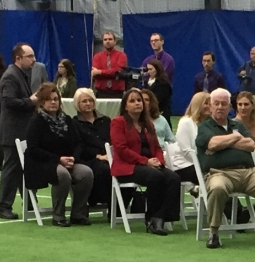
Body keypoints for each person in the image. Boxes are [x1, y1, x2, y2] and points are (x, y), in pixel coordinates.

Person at [196, 86, 255, 248]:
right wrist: (235, 138)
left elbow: (250, 144)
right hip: (219, 173)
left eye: (224, 104)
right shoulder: (204, 127)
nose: (220, 107)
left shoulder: (237, 125)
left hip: (248, 173)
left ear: (229, 107)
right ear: (210, 106)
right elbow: (212, 143)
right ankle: (213, 232)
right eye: (217, 103)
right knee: (217, 188)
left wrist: (224, 142)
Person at [109, 87, 181, 235]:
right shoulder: (118, 122)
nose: (137, 103)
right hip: (127, 166)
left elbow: (157, 148)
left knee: (173, 178)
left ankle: (160, 217)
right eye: (132, 101)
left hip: (150, 165)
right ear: (125, 106)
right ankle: (151, 219)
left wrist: (159, 162)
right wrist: (145, 161)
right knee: (156, 176)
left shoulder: (149, 124)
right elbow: (121, 150)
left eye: (139, 100)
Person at [22, 86, 96, 226]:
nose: (53, 102)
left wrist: (74, 157)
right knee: (62, 175)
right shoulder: (36, 121)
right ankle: (58, 215)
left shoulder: (67, 120)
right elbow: (33, 149)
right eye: (48, 100)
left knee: (86, 173)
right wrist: (58, 160)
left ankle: (78, 214)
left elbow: (79, 143)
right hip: (41, 162)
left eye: (56, 99)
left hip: (66, 160)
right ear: (42, 103)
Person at [0, 42, 41, 221]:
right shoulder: (10, 76)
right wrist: (31, 101)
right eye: (30, 56)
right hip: (12, 132)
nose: (34, 60)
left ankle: (29, 203)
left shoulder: (21, 74)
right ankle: (4, 206)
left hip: (21, 131)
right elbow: (9, 102)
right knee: (11, 170)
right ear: (18, 58)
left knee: (25, 169)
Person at [67, 87, 112, 217]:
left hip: (108, 155)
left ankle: (118, 206)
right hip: (88, 159)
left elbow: (112, 140)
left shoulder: (106, 120)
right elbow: (79, 146)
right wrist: (98, 156)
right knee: (103, 169)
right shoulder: (74, 123)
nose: (88, 104)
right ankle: (97, 199)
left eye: (90, 100)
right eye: (84, 101)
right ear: (77, 104)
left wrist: (108, 154)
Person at [169, 91, 207, 187]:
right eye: (206, 103)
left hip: (202, 165)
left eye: (211, 104)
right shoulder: (186, 122)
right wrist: (204, 161)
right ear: (198, 105)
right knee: (212, 177)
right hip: (183, 165)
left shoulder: (209, 124)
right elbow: (186, 150)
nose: (209, 106)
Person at [91, 30, 128, 102]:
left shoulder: (122, 55)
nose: (107, 41)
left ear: (115, 41)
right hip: (101, 92)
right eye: (105, 39)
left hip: (117, 93)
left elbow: (118, 71)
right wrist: (110, 73)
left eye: (110, 39)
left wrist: (100, 72)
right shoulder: (97, 57)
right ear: (103, 42)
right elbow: (95, 75)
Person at [144, 59, 174, 125]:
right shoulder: (146, 82)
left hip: (161, 113)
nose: (148, 72)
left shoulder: (163, 83)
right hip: (149, 113)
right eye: (147, 69)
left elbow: (159, 99)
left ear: (157, 69)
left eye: (151, 69)